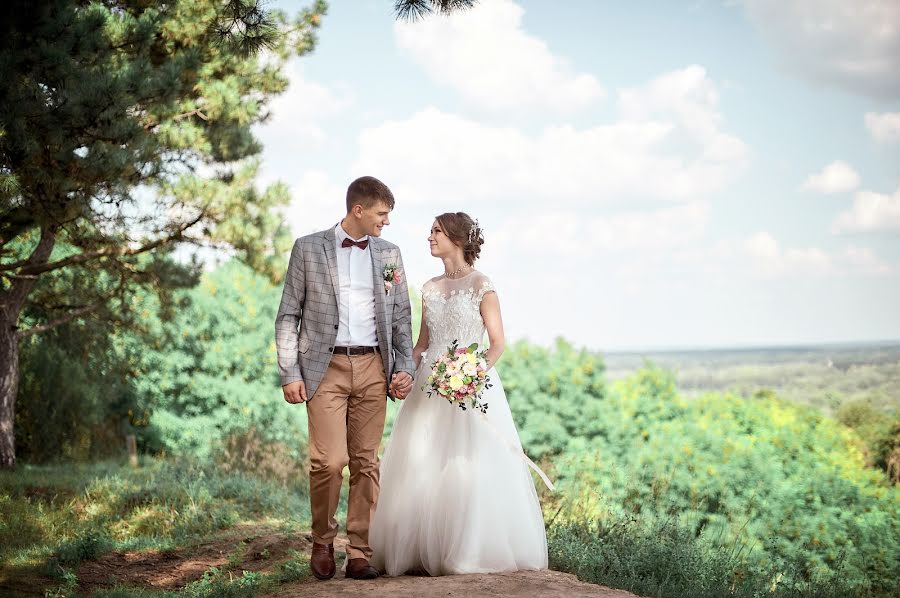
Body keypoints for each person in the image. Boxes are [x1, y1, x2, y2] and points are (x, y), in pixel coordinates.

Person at [369, 212, 548, 576]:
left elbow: (497, 344)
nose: (429, 237)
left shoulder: (483, 285)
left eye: (436, 231)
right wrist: (404, 372)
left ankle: (467, 549)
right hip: (429, 387)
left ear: (457, 237)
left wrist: (471, 376)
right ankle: (418, 550)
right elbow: (422, 344)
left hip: (471, 387)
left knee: (468, 464)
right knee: (422, 462)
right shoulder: (430, 288)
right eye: (431, 231)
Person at [274, 176, 415, 580]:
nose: (386, 222)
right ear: (359, 209)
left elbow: (401, 315)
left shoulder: (390, 255)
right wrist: (289, 372)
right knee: (328, 462)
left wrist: (403, 366)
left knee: (367, 463)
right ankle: (322, 540)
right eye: (382, 214)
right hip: (324, 368)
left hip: (374, 366)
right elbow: (288, 315)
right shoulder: (307, 248)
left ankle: (358, 552)